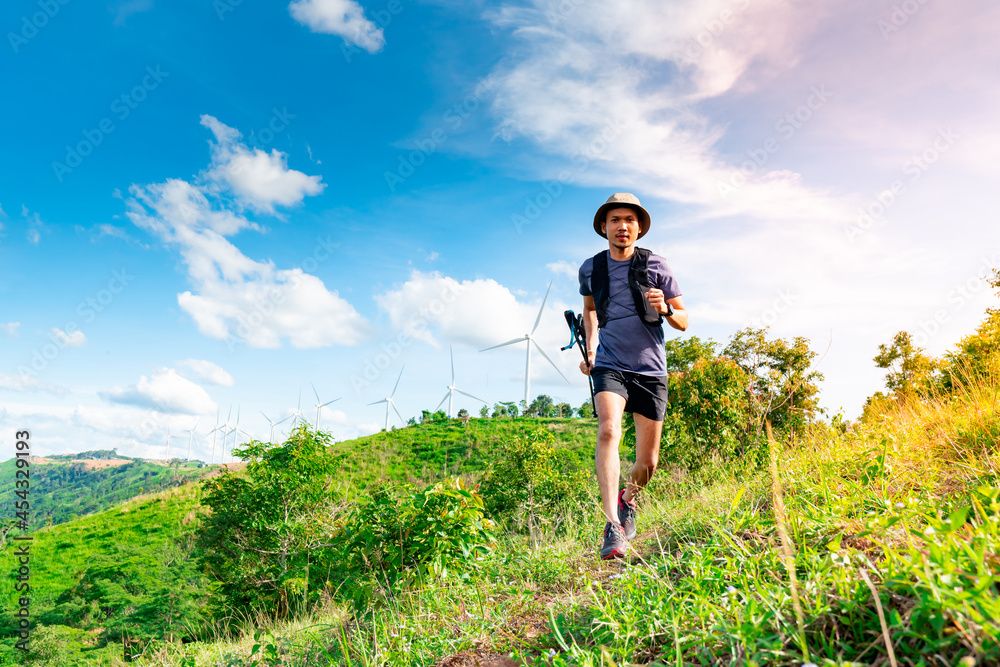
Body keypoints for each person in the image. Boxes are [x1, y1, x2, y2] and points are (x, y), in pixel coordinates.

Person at [577, 193, 688, 560]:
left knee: (648, 463)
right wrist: (591, 350)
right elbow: (589, 311)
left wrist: (667, 308)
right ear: (604, 227)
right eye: (615, 220)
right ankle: (612, 527)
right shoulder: (590, 268)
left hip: (651, 368)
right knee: (608, 430)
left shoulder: (657, 264)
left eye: (629, 220)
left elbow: (684, 320)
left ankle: (628, 499)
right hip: (609, 363)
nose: (622, 226)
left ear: (638, 227)